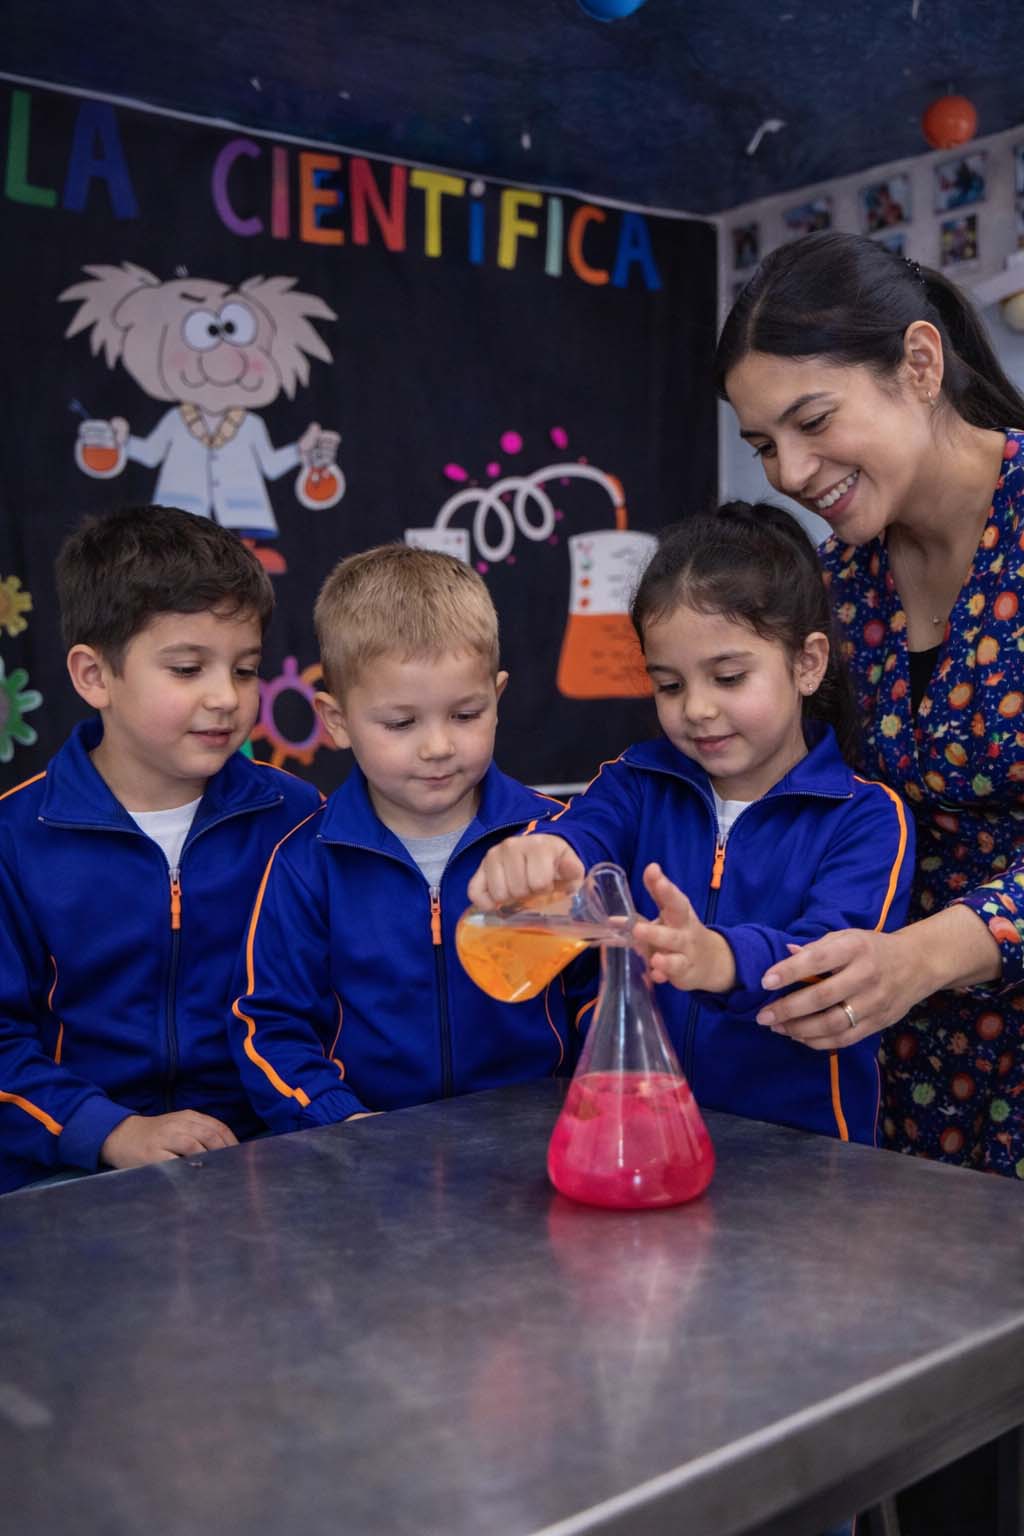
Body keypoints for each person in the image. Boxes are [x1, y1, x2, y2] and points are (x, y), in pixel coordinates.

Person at [716, 229, 1024, 1184]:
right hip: (906, 1058)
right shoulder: (839, 585)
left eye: (814, 421)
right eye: (764, 445)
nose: (792, 473)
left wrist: (930, 952)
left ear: (920, 364)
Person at [468, 503, 913, 1145]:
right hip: (643, 1139)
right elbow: (583, 836)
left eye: (729, 677)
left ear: (807, 664)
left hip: (804, 1159)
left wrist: (721, 958)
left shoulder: (867, 817)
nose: (697, 710)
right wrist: (542, 853)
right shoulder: (636, 783)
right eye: (669, 685)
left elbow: (836, 968)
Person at [0, 505, 321, 1195]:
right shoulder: (13, 839)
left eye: (243, 670)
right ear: (94, 676)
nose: (225, 699)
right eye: (186, 668)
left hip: (263, 1160)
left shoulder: (296, 816)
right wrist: (110, 1131)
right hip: (61, 1171)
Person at [230, 544, 586, 1128]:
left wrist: (591, 1099)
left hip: (537, 1150)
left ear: (497, 699)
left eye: (466, 715)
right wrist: (340, 1123)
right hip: (366, 1163)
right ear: (337, 721)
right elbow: (270, 1028)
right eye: (401, 723)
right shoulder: (304, 864)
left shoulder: (554, 840)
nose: (438, 746)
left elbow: (599, 997)